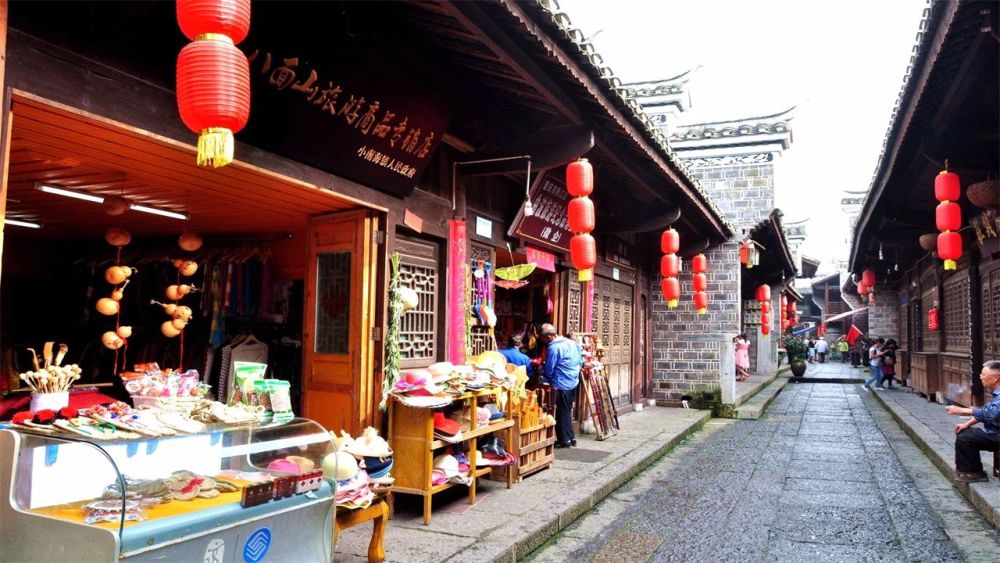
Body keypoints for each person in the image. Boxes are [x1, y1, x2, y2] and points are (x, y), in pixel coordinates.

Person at [945, 361, 1000, 483]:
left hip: (997, 434)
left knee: (967, 438)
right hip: (994, 431)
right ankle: (967, 471)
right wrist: (966, 424)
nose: (981, 377)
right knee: (965, 432)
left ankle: (973, 473)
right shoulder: (996, 393)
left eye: (984, 374)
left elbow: (991, 414)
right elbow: (986, 411)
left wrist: (962, 410)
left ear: (995, 378)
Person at [540, 323, 582, 449]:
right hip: (573, 380)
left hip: (561, 383)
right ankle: (571, 437)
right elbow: (580, 360)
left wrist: (545, 377)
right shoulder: (572, 343)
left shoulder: (553, 348)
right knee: (567, 410)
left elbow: (549, 368)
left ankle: (564, 440)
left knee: (561, 412)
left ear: (549, 337)